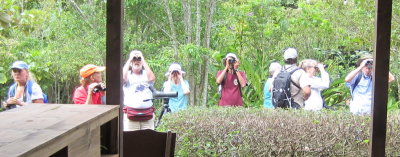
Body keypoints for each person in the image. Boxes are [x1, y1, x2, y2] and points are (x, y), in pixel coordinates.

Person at [122, 50, 156, 131]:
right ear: (131, 63)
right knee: (131, 139)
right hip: (131, 114)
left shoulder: (146, 74)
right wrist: (130, 59)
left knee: (148, 139)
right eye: (134, 60)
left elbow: (152, 78)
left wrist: (142, 59)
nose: (137, 61)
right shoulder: (128, 75)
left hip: (147, 114)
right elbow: (122, 78)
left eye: (139, 60)